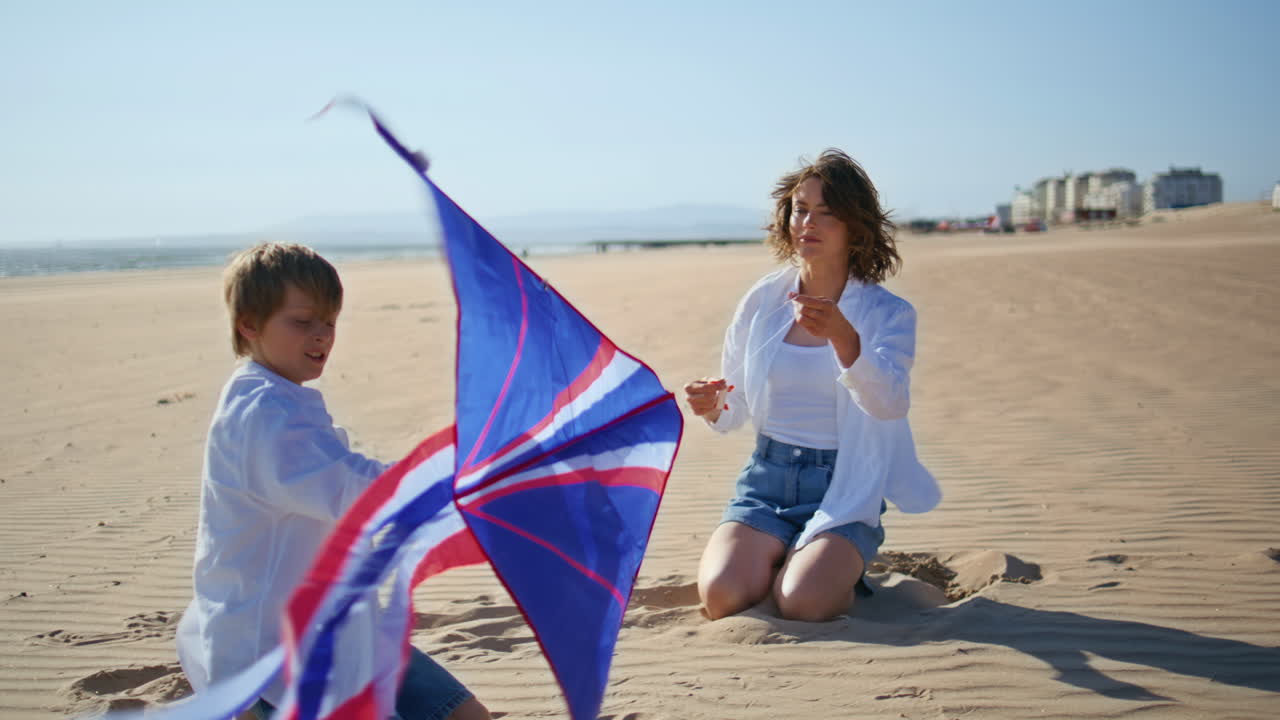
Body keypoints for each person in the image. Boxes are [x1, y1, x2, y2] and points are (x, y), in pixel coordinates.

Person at [175, 243, 490, 720]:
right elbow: (354, 492)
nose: (322, 336)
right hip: (270, 653)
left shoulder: (281, 397)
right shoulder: (263, 412)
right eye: (302, 322)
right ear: (249, 325)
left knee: (464, 715)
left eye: (330, 322)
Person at [684, 150, 940, 622]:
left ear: (855, 227)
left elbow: (890, 404)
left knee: (803, 602)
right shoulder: (763, 300)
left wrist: (845, 339)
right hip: (767, 480)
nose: (809, 223)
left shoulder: (889, 314)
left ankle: (820, 564)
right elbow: (734, 407)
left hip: (844, 485)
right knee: (721, 597)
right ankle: (785, 555)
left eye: (827, 213)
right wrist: (712, 403)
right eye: (801, 209)